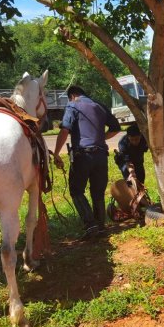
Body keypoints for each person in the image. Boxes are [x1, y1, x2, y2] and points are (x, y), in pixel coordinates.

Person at [53, 85, 121, 239]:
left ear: (72, 96)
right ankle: (101, 227)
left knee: (76, 190)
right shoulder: (99, 105)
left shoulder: (72, 105)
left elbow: (64, 130)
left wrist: (56, 153)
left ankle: (91, 225)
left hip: (82, 155)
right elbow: (116, 128)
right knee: (97, 192)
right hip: (101, 156)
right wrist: (100, 138)